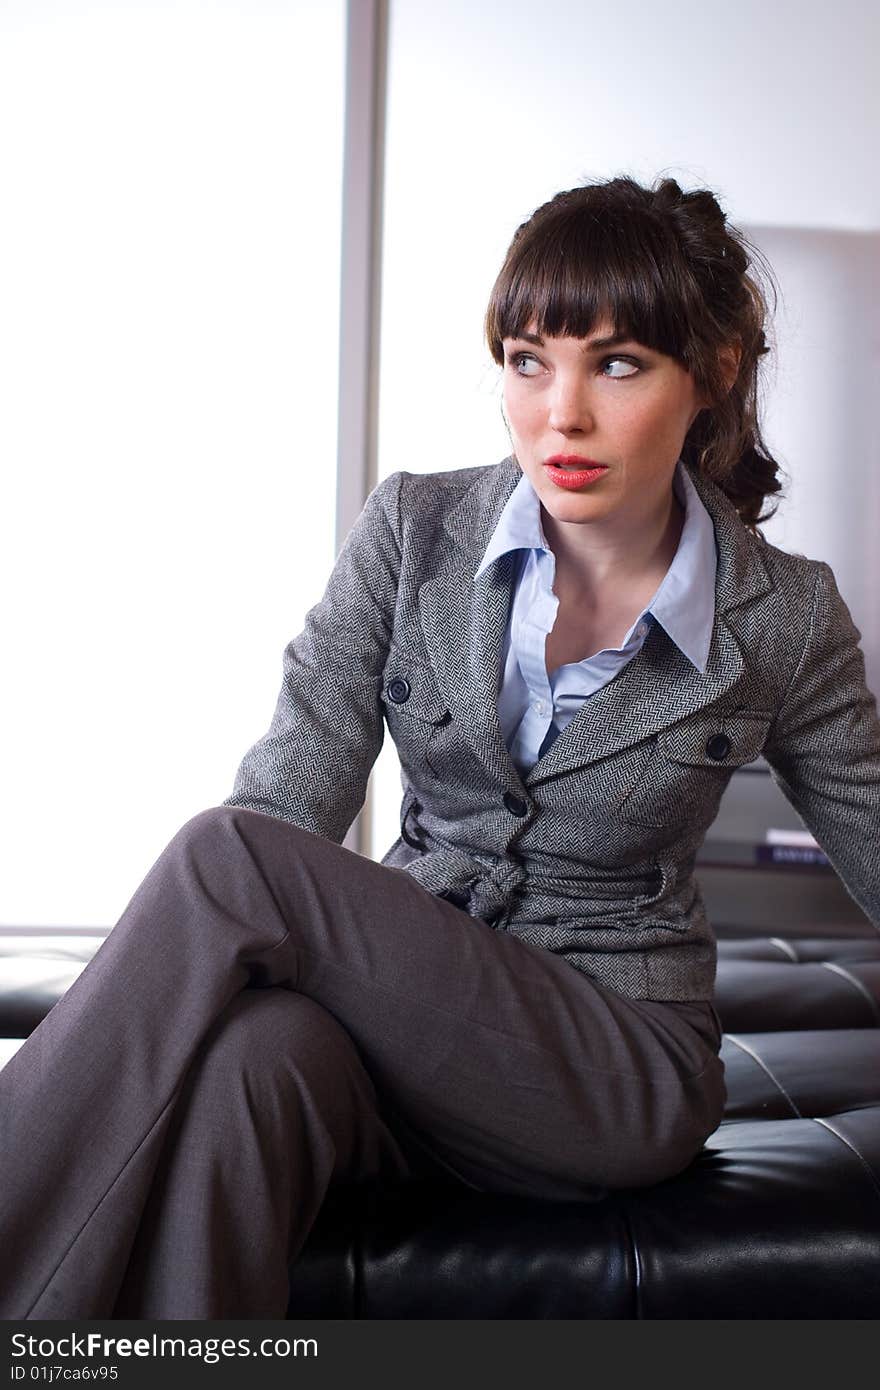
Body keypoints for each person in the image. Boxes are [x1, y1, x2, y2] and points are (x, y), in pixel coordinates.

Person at [2, 175, 879, 1320]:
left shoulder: (784, 615)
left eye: (615, 365)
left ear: (710, 371)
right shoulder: (413, 529)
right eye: (527, 359)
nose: (558, 413)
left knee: (231, 858)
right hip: (403, 1036)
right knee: (251, 1063)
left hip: (607, 1061)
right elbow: (289, 792)